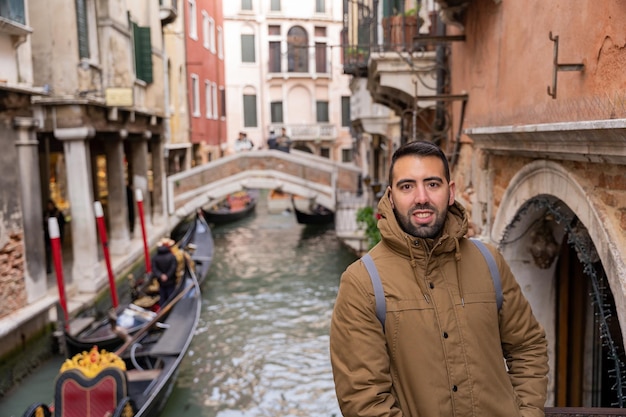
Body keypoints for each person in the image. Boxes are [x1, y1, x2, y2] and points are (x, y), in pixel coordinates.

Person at [329, 141, 549, 416]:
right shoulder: (362, 282)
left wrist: (527, 413)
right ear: (391, 196)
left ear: (451, 191)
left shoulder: (489, 262)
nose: (421, 197)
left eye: (432, 184)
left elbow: (528, 346)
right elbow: (364, 399)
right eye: (407, 186)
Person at [151, 238, 179, 306]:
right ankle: (171, 308)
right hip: (170, 280)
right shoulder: (172, 256)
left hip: (161, 281)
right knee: (171, 296)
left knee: (162, 296)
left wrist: (161, 275)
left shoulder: (155, 257)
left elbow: (154, 269)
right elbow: (173, 267)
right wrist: (167, 276)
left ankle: (162, 307)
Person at [43, 199, 65, 273]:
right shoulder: (46, 213)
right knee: (48, 252)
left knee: (57, 252)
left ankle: (59, 267)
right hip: (48, 236)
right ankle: (49, 268)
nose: (49, 207)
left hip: (57, 235)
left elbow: (63, 223)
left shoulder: (58, 212)